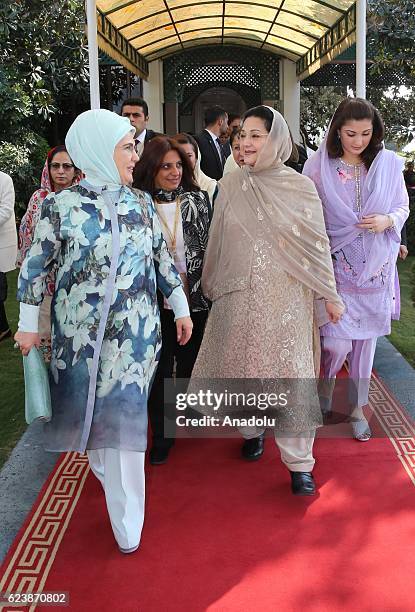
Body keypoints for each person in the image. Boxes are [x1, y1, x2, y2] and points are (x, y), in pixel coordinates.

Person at [14, 109, 192, 553]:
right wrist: (26, 325)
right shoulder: (60, 207)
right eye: (127, 146)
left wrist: (181, 306)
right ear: (97, 149)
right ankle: (106, 473)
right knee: (93, 431)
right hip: (79, 340)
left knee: (126, 428)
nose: (136, 155)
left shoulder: (141, 203)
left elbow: (162, 260)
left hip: (134, 338)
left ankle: (128, 522)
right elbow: (34, 269)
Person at [190, 106, 344, 496]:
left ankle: (299, 464)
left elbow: (315, 245)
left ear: (276, 139)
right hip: (239, 292)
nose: (245, 142)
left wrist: (328, 291)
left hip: (287, 295)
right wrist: (213, 283)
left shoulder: (299, 187)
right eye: (242, 135)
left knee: (291, 371)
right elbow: (218, 239)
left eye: (256, 135)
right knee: (244, 364)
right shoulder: (231, 183)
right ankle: (252, 430)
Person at [303, 97, 409, 441]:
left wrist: (388, 220)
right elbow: (308, 215)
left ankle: (357, 408)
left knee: (366, 348)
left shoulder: (388, 163)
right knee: (337, 345)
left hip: (376, 269)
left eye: (366, 133)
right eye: (351, 133)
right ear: (337, 131)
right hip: (336, 268)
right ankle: (325, 386)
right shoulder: (317, 167)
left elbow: (402, 206)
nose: (358, 141)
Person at [134, 137, 210, 465]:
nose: (175, 171)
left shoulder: (199, 199)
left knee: (191, 362)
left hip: (195, 300)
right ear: (151, 168)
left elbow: (210, 248)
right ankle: (162, 436)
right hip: (153, 302)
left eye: (179, 165)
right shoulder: (137, 204)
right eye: (166, 166)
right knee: (161, 370)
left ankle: (191, 410)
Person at [16, 146, 81, 360]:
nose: (60, 171)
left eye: (66, 166)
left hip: (73, 283)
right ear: (48, 168)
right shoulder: (38, 198)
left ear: (75, 169)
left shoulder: (84, 200)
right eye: (55, 166)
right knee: (43, 337)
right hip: (44, 283)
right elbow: (27, 234)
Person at [173, 132, 217, 208]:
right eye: (180, 155)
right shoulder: (165, 186)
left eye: (189, 155)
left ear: (196, 158)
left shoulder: (209, 185)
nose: (185, 160)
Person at [0, 170, 17, 342]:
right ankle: (4, 328)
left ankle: (3, 329)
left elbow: (5, 210)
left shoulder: (4, 180)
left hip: (2, 242)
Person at [195, 106, 229, 180]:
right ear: (221, 121)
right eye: (227, 122)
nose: (227, 126)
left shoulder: (219, 142)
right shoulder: (199, 140)